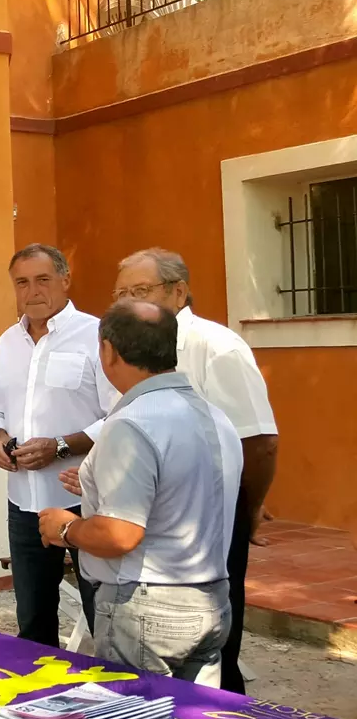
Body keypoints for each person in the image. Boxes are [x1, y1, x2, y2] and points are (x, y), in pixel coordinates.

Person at [39, 301, 243, 685]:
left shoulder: (132, 422)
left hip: (147, 605)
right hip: (211, 597)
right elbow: (183, 489)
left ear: (108, 351)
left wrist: (65, 528)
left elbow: (120, 535)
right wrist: (100, 485)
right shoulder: (215, 416)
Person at [110, 248, 278, 694]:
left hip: (208, 518)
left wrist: (250, 506)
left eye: (140, 290)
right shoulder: (124, 348)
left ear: (179, 291)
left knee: (213, 657)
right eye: (121, 294)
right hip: (146, 525)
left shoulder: (216, 347)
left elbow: (259, 441)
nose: (128, 302)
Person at [0, 244, 113, 647]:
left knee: (104, 617)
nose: (32, 291)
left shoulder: (97, 336)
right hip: (24, 501)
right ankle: (41, 687)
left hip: (85, 497)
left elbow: (119, 415)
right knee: (33, 621)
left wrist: (60, 446)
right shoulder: (6, 343)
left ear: (65, 280)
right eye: (22, 282)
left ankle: (112, 686)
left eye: (42, 280)